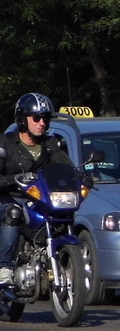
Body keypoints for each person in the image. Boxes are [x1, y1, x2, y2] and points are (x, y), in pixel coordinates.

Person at [0, 93, 75, 287]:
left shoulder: (50, 145)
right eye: (37, 118)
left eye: (45, 118)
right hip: (8, 199)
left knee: (60, 214)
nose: (42, 123)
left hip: (37, 200)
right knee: (13, 212)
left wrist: (82, 177)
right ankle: (5, 268)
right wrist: (13, 179)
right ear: (22, 119)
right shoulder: (5, 143)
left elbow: (66, 167)